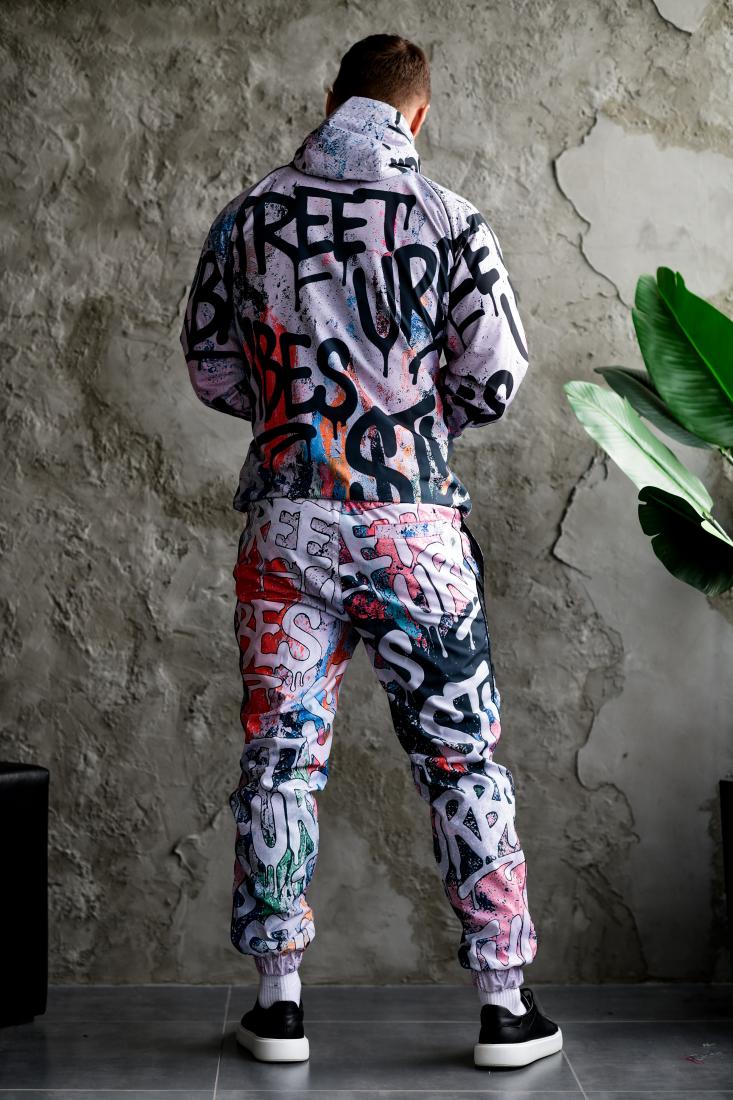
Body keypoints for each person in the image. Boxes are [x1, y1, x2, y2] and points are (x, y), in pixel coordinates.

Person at [180, 33, 562, 1070]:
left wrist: (293, 419)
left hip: (288, 527)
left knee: (280, 760)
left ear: (330, 99)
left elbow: (210, 367)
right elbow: (497, 374)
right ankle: (503, 1005)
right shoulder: (450, 219)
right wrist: (409, 428)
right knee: (460, 758)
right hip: (415, 534)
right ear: (416, 115)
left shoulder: (250, 215)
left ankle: (279, 1003)